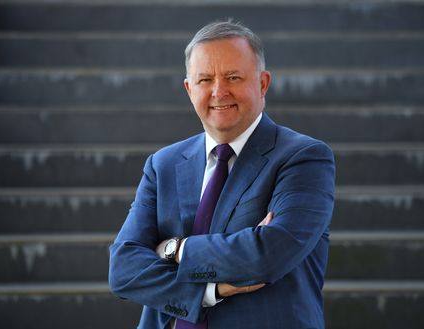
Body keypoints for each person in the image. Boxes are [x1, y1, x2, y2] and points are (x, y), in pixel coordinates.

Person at [109, 20, 335, 329]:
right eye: (204, 79)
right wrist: (209, 291)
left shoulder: (303, 158)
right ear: (190, 90)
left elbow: (269, 253)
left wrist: (176, 249)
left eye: (233, 77)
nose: (219, 91)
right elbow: (123, 268)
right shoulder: (162, 164)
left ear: (263, 83)